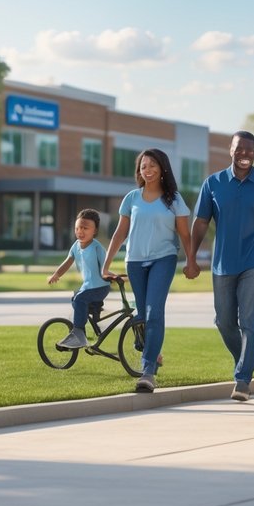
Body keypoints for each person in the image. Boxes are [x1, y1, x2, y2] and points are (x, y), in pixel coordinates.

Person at [189, 130, 254, 402]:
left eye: (250, 149)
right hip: (223, 262)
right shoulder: (213, 183)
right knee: (224, 322)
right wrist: (191, 257)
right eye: (240, 149)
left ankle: (243, 379)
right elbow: (200, 222)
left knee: (249, 321)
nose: (245, 154)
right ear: (231, 150)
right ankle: (243, 359)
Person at [103, 148, 198, 393]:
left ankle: (148, 372)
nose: (148, 170)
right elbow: (120, 233)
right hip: (134, 261)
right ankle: (150, 349)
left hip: (163, 258)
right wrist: (106, 263)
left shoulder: (174, 199)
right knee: (142, 316)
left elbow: (184, 234)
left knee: (154, 311)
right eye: (143, 166)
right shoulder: (131, 198)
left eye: (152, 165)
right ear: (139, 171)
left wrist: (191, 261)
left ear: (163, 168)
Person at [47, 209, 111, 349]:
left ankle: (79, 334)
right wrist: (57, 274)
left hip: (100, 287)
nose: (80, 231)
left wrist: (112, 276)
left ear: (95, 231)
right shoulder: (76, 246)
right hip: (88, 286)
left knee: (80, 299)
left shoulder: (97, 248)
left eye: (85, 228)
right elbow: (67, 262)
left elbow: (104, 267)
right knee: (75, 298)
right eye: (77, 228)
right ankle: (90, 322)